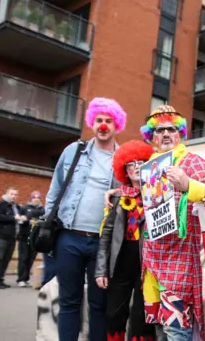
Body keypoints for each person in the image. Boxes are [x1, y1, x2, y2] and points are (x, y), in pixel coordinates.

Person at [45, 97, 126, 341]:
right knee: (69, 302)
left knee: (99, 305)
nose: (103, 125)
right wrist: (48, 225)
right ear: (92, 122)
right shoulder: (74, 151)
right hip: (69, 238)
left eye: (108, 121)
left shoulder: (123, 158)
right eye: (99, 120)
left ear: (116, 125)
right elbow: (55, 189)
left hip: (102, 244)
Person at [139, 105, 205, 341]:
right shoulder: (149, 168)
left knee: (176, 330)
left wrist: (188, 185)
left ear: (179, 133)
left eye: (171, 129)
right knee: (160, 329)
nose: (165, 134)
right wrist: (115, 192)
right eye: (159, 130)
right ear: (151, 136)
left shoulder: (192, 161)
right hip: (153, 262)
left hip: (179, 261)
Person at [95, 140, 157, 341]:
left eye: (141, 162)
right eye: (132, 164)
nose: (137, 167)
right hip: (120, 263)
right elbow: (106, 235)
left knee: (143, 318)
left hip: (146, 265)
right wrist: (101, 270)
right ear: (125, 169)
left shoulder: (158, 194)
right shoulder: (117, 198)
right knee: (114, 315)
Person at [0, 187, 25, 289]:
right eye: (11, 194)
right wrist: (14, 218)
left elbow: (18, 220)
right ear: (7, 194)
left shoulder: (16, 207)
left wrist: (22, 219)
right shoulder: (0, 205)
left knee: (6, 259)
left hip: (11, 238)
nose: (13, 196)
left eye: (15, 195)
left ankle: (0, 280)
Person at [17, 191, 45, 287]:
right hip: (24, 237)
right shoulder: (24, 208)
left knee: (31, 259)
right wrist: (26, 220)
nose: (36, 200)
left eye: (38, 198)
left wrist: (32, 220)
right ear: (31, 198)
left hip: (35, 239)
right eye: (34, 198)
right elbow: (21, 220)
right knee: (23, 258)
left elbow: (42, 221)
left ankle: (27, 278)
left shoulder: (42, 210)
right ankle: (21, 279)